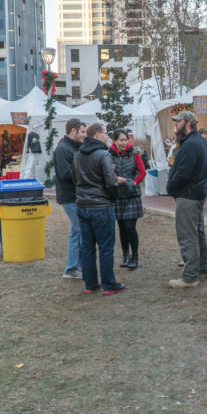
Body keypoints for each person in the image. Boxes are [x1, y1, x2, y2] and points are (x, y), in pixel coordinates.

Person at [72, 122, 124, 295]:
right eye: (105, 133)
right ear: (97, 135)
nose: (107, 136)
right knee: (105, 247)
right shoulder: (103, 154)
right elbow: (111, 181)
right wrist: (114, 195)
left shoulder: (78, 154)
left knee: (87, 246)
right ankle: (109, 285)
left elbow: (75, 178)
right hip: (101, 206)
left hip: (83, 205)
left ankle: (91, 283)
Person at [166, 111, 207, 288]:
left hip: (188, 195)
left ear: (188, 123)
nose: (175, 125)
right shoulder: (200, 142)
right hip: (196, 194)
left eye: (178, 122)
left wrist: (170, 187)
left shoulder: (191, 144)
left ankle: (190, 277)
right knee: (198, 233)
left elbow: (183, 173)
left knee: (188, 236)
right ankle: (202, 269)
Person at [54, 118, 86, 280]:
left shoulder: (75, 148)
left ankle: (73, 267)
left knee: (76, 232)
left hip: (77, 196)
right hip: (69, 197)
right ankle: (73, 268)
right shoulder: (62, 149)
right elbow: (65, 174)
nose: (84, 135)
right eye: (82, 132)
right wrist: (85, 174)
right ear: (73, 131)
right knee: (80, 230)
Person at [109, 129, 146, 270]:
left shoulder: (134, 153)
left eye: (126, 140)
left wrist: (134, 183)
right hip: (118, 195)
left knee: (130, 227)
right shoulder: (109, 155)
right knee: (122, 228)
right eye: (121, 140)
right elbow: (107, 172)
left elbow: (142, 172)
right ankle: (125, 256)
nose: (124, 143)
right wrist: (115, 179)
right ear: (114, 141)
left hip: (132, 194)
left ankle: (134, 256)